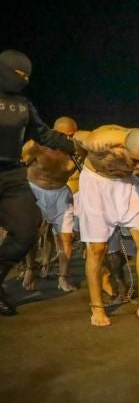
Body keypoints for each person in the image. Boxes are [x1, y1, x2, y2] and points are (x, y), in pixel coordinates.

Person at [0, 49, 75, 316]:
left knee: (28, 229)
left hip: (11, 174)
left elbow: (43, 134)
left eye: (27, 76)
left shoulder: (23, 104)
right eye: (19, 75)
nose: (24, 80)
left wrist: (73, 145)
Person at [72, 124, 139, 326]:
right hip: (96, 184)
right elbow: (77, 137)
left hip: (127, 184)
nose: (138, 166)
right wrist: (89, 156)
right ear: (122, 148)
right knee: (97, 249)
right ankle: (97, 307)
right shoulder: (100, 141)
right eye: (135, 160)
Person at [20, 116, 80, 292]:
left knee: (66, 238)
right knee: (31, 235)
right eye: (65, 135)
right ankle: (30, 268)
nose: (69, 139)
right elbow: (17, 165)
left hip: (61, 194)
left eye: (72, 135)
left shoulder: (77, 151)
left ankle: (63, 278)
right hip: (35, 191)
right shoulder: (35, 146)